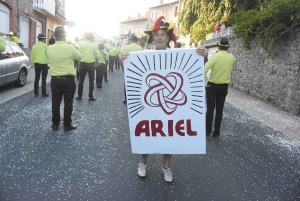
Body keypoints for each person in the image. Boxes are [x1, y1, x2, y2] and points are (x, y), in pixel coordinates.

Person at [119, 16, 208, 183]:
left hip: (172, 108)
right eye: (156, 34)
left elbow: (193, 73)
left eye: (163, 34)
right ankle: (143, 162)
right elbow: (131, 78)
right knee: (146, 134)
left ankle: (166, 167)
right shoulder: (142, 57)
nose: (159, 37)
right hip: (149, 107)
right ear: (152, 38)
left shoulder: (181, 55)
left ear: (168, 38)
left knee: (170, 135)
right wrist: (122, 61)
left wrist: (204, 55)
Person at [46, 26, 81, 132]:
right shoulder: (70, 47)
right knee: (68, 102)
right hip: (68, 79)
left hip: (55, 79)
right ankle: (67, 125)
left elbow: (48, 57)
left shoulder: (49, 48)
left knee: (55, 102)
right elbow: (79, 57)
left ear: (55, 37)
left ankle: (55, 124)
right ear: (65, 36)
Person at [205, 38, 235, 140]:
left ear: (218, 46)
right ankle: (216, 133)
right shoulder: (232, 58)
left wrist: (203, 83)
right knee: (219, 110)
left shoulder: (215, 56)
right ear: (228, 47)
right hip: (224, 87)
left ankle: (207, 132)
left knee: (210, 110)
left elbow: (205, 68)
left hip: (212, 85)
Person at [76, 32, 98, 101]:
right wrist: (96, 64)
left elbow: (79, 57)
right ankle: (90, 96)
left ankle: (79, 96)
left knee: (81, 80)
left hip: (82, 64)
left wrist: (79, 66)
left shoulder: (82, 45)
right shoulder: (94, 46)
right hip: (91, 65)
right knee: (91, 81)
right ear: (91, 38)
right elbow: (96, 56)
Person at [121, 35, 143, 104]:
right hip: (137, 68)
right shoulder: (140, 48)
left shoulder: (126, 48)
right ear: (136, 41)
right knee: (138, 83)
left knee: (127, 83)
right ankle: (137, 98)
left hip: (128, 67)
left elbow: (123, 58)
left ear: (130, 41)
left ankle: (126, 99)